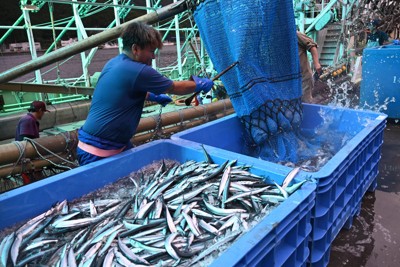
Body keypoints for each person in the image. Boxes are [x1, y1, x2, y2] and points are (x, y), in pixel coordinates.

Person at [77, 22, 214, 166]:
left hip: (109, 146)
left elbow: (123, 92)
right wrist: (199, 84)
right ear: (136, 48)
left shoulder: (114, 63)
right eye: (151, 51)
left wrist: (150, 95)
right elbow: (174, 87)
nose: (153, 57)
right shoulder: (138, 70)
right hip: (98, 151)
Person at [297, 31, 323, 103]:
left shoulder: (295, 34)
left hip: (303, 77)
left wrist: (316, 64)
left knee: (306, 101)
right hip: (291, 79)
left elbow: (312, 46)